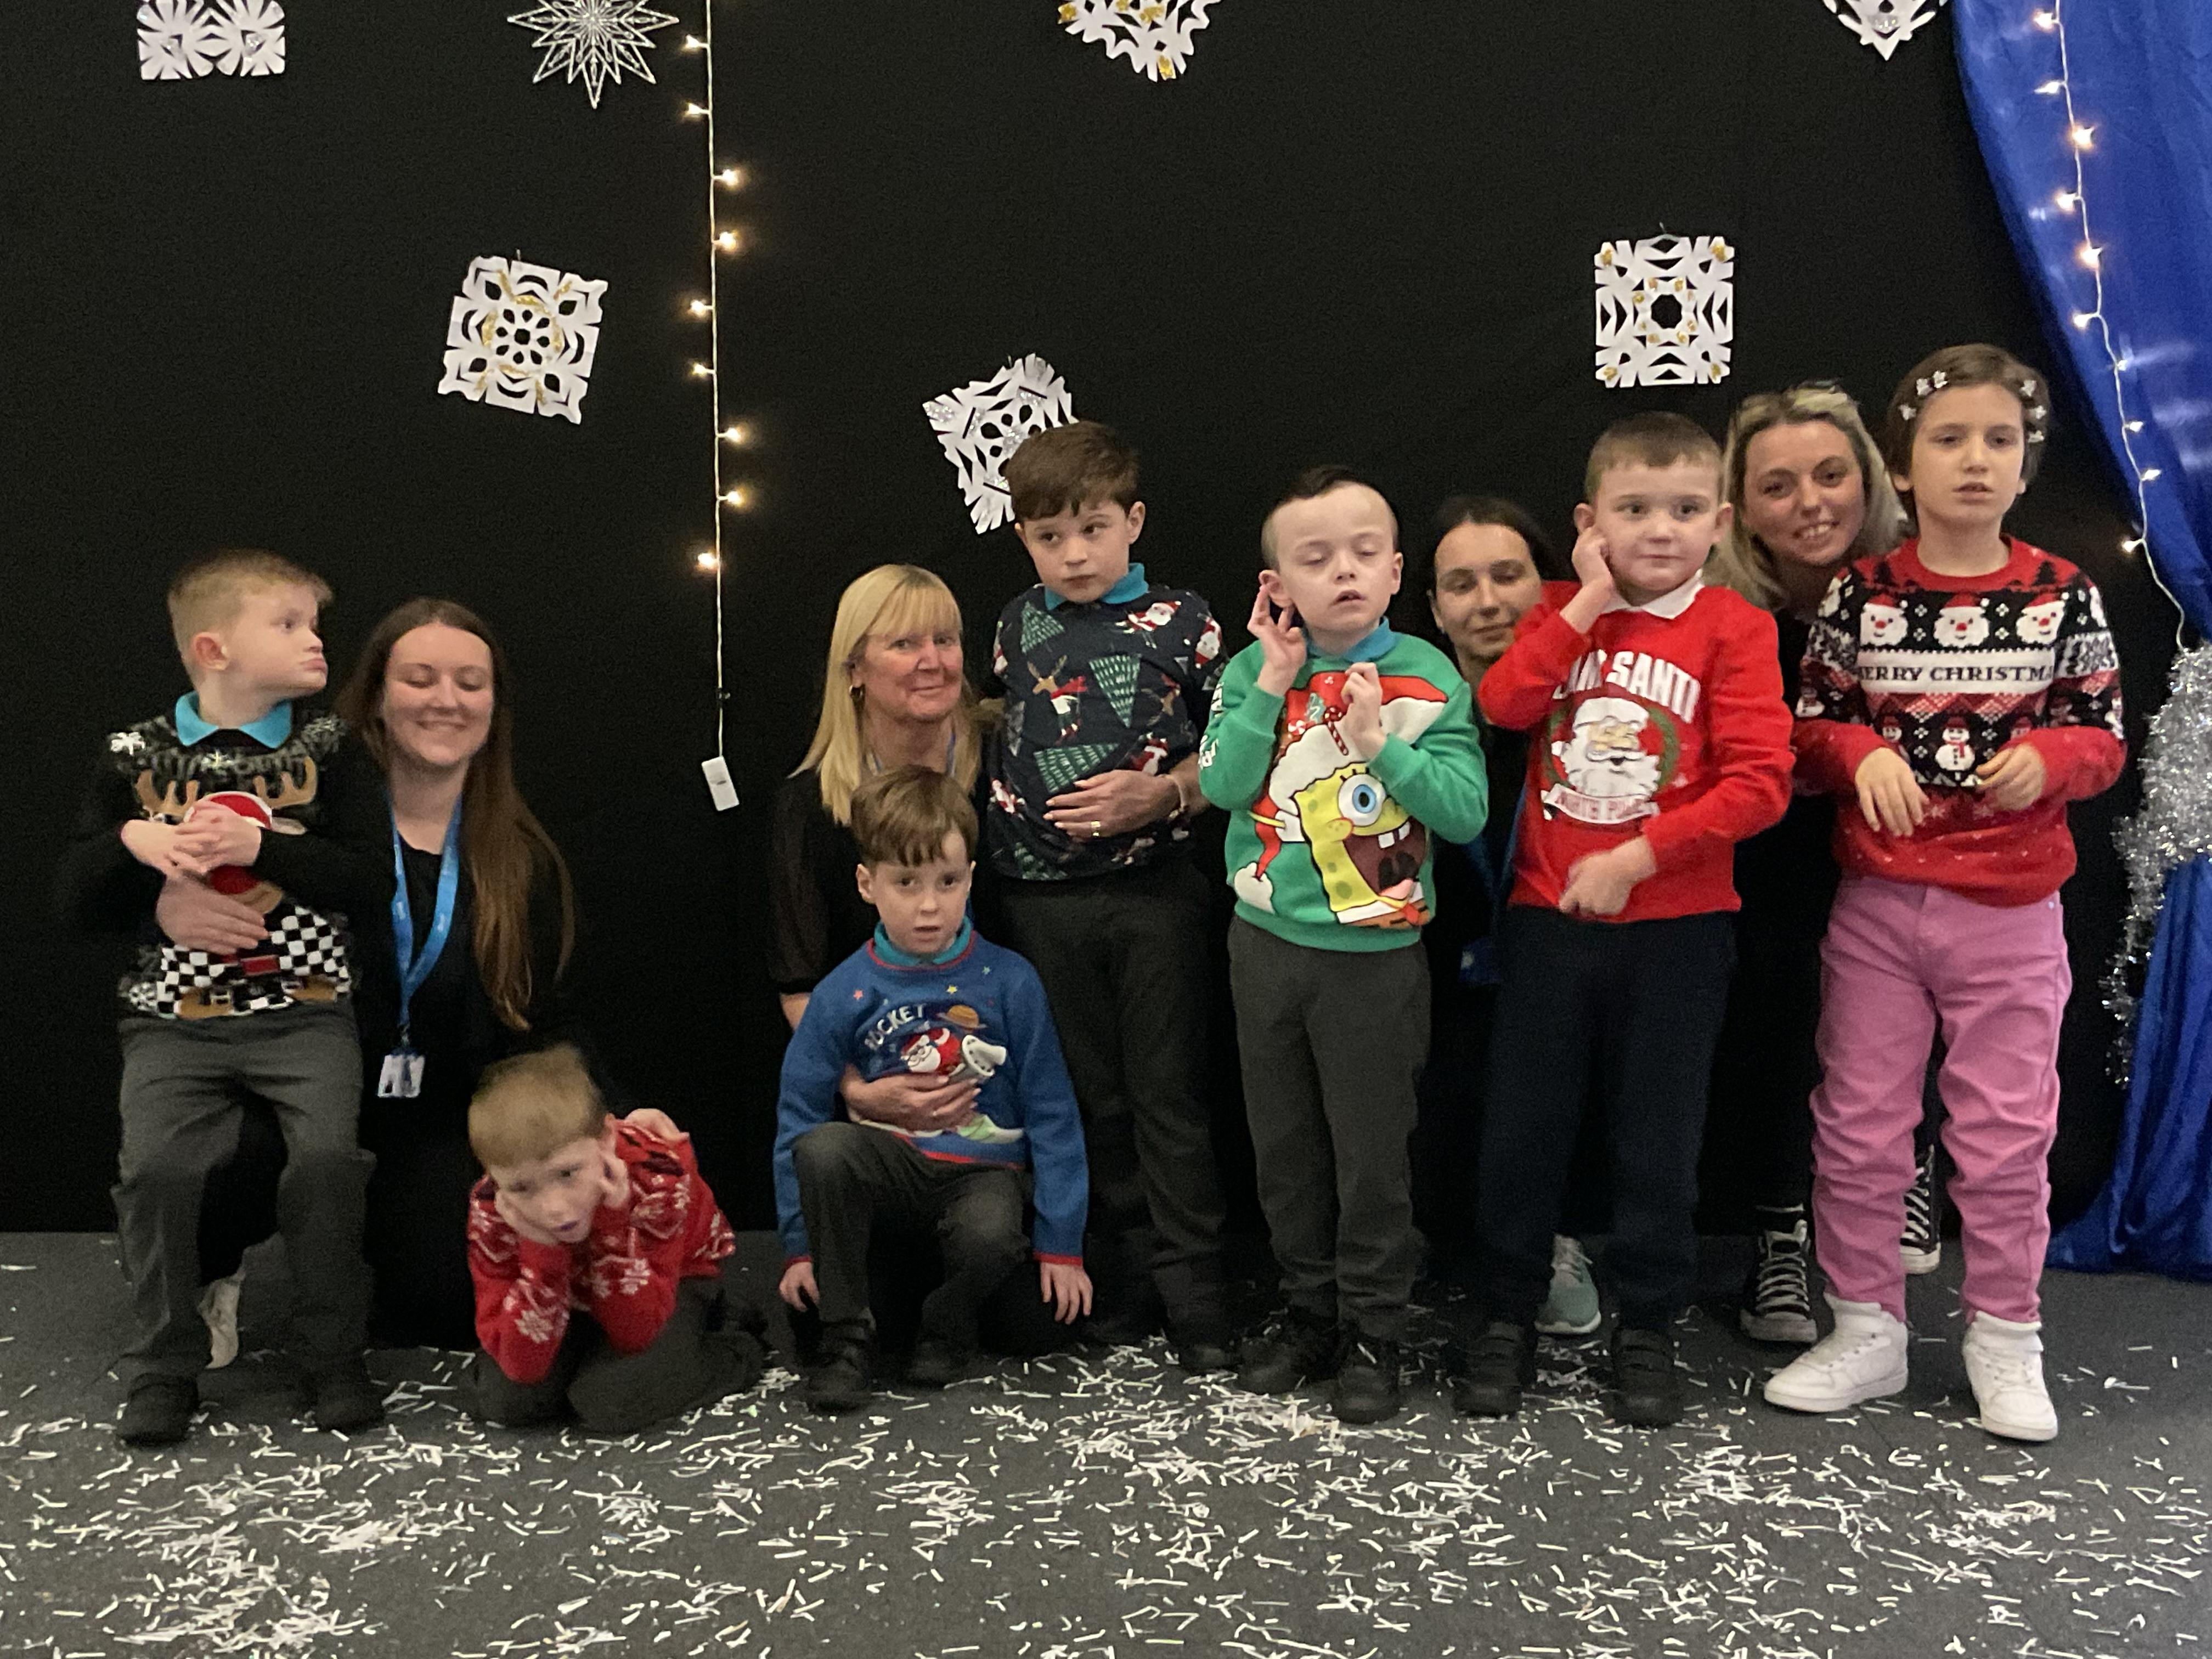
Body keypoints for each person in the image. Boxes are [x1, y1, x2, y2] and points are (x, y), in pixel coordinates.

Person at [1763, 345, 2125, 1442]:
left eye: (1999, 440)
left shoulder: (2063, 593)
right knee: (1859, 1124)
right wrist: (1856, 753)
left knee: (2006, 1133)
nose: (1975, 460)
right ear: (1901, 466)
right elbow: (1812, 725)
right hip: (1879, 906)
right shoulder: (1862, 593)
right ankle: (1866, 1326)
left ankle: (2005, 1335)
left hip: (2011, 912)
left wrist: (2051, 758)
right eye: (1949, 439)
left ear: (2025, 463)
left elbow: (2102, 736)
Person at [1455, 414, 1794, 1429]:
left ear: (1719, 522)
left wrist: (1640, 857)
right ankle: (1506, 1310)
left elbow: (1762, 783)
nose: (1660, 529)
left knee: (1659, 1137)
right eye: (1635, 509)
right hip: (1549, 924)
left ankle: (1648, 1321)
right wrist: (1587, 602)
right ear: (1589, 522)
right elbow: (1505, 704)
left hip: (1678, 928)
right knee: (1524, 1130)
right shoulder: (1561, 610)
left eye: (1685, 509)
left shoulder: (1736, 627)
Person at [157, 599, 582, 1351]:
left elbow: (540, 1023)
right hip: (291, 1098)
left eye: (470, 683)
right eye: (419, 679)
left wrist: (613, 1114)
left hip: (436, 1118)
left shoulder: (520, 858)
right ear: (377, 698)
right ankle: (215, 1267)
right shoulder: (299, 832)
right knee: (206, 1153)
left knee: (443, 1305)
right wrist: (163, 909)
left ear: (494, 709)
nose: (446, 700)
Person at [56, 549, 386, 1445]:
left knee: (326, 1164)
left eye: (314, 623)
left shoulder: (329, 748)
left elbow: (367, 880)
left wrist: (263, 845)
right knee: (156, 1171)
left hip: (307, 1011)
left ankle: (333, 1355)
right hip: (173, 1022)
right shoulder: (133, 756)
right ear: (214, 649)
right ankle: (166, 1362)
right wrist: (133, 843)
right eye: (289, 624)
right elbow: (74, 900)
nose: (315, 641)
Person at [1200, 466, 1488, 1425]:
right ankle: (1308, 1312)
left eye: (1366, 553)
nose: (1345, 572)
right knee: (1285, 1148)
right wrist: (1270, 682)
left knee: (1371, 1157)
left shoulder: (1427, 676)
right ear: (1277, 582)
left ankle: (1374, 1326)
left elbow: (1464, 810)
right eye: (1317, 559)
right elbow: (1224, 787)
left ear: (1397, 569)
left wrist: (1379, 745)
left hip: (1373, 962)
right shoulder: (1252, 672)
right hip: (1264, 948)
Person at [984, 421, 1233, 1368]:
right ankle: (1122, 1277)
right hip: (1039, 895)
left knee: (1168, 1092)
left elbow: (1237, 750)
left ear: (1133, 520)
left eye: (1093, 528)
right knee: (1091, 1096)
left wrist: (1165, 792)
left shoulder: (1184, 621)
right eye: (1050, 536)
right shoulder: (1018, 625)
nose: (1075, 553)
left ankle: (1196, 1290)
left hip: (1153, 888)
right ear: (1023, 538)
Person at [773, 767, 1092, 1413]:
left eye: (947, 882)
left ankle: (946, 1326)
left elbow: (1054, 1114)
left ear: (971, 879)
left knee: (994, 1232)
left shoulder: (1011, 980)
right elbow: (797, 1118)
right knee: (824, 1149)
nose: (928, 906)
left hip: (980, 1175)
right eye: (907, 883)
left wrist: (1062, 1244)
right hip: (887, 1172)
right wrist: (799, 1247)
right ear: (867, 884)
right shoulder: (843, 990)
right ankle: (846, 1340)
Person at [1706, 386, 1912, 1344]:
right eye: (1779, 486)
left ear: (1867, 480)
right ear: (1743, 509)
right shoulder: (1725, 616)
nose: (1811, 503)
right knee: (1780, 1020)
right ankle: (1777, 1229)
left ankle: (1906, 1172)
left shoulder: (1928, 599)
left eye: (1831, 475)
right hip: (1778, 865)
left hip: (1907, 866)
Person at [1409, 497, 1602, 1335]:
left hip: (1557, 948)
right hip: (1439, 958)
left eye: (1507, 576)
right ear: (1432, 607)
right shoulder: (1408, 710)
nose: (1487, 601)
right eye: (1461, 584)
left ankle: (1559, 1239)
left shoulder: (1597, 704)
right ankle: (1419, 1232)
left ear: (1548, 583)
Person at [467, 1043, 761, 1432]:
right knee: (506, 1401)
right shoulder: (493, 1207)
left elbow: (636, 1333)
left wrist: (612, 1225)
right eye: (523, 1188)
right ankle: (592, 1354)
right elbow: (522, 1366)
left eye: (567, 1174)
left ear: (606, 1139)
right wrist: (542, 1252)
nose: (554, 1209)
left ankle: (730, 1344)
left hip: (672, 1280)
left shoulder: (659, 1178)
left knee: (608, 1401)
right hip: (570, 1292)